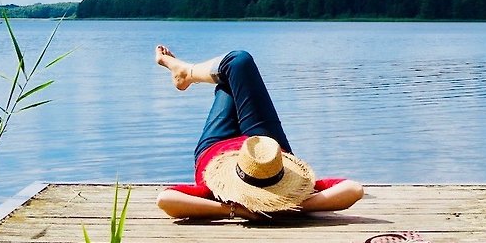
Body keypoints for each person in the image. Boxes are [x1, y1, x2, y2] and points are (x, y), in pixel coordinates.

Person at [155, 46, 364, 221]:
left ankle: (184, 72)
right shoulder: (291, 192)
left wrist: (236, 210)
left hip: (216, 146)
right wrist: (290, 205)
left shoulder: (218, 192)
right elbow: (353, 189)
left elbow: (166, 200)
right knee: (238, 65)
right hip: (265, 145)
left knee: (232, 71)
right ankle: (185, 72)